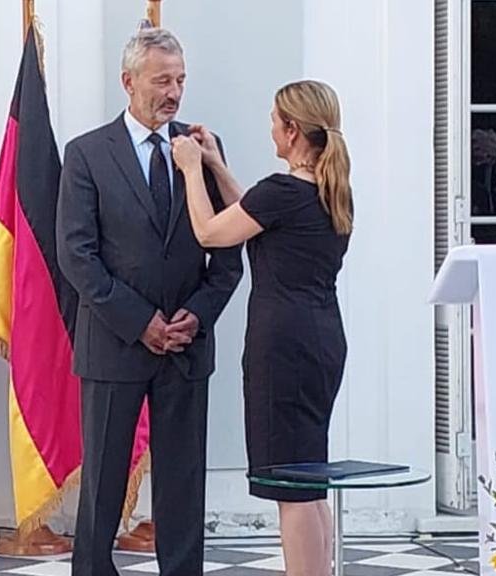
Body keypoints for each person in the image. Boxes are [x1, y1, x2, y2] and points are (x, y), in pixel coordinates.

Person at [56, 27, 243, 576]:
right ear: (128, 82)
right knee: (103, 481)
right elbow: (77, 255)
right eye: (162, 81)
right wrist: (141, 323)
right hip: (114, 344)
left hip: (186, 345)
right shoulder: (88, 154)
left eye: (180, 80)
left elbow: (228, 253)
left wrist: (197, 315)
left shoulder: (204, 149)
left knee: (183, 481)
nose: (174, 93)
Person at [172, 79, 353, 576]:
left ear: (292, 130)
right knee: (310, 478)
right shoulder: (329, 192)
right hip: (322, 338)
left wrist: (191, 169)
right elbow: (254, 212)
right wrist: (216, 165)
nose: (270, 128)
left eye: (275, 120)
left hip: (283, 346)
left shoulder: (283, 191)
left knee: (290, 484)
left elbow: (211, 231)